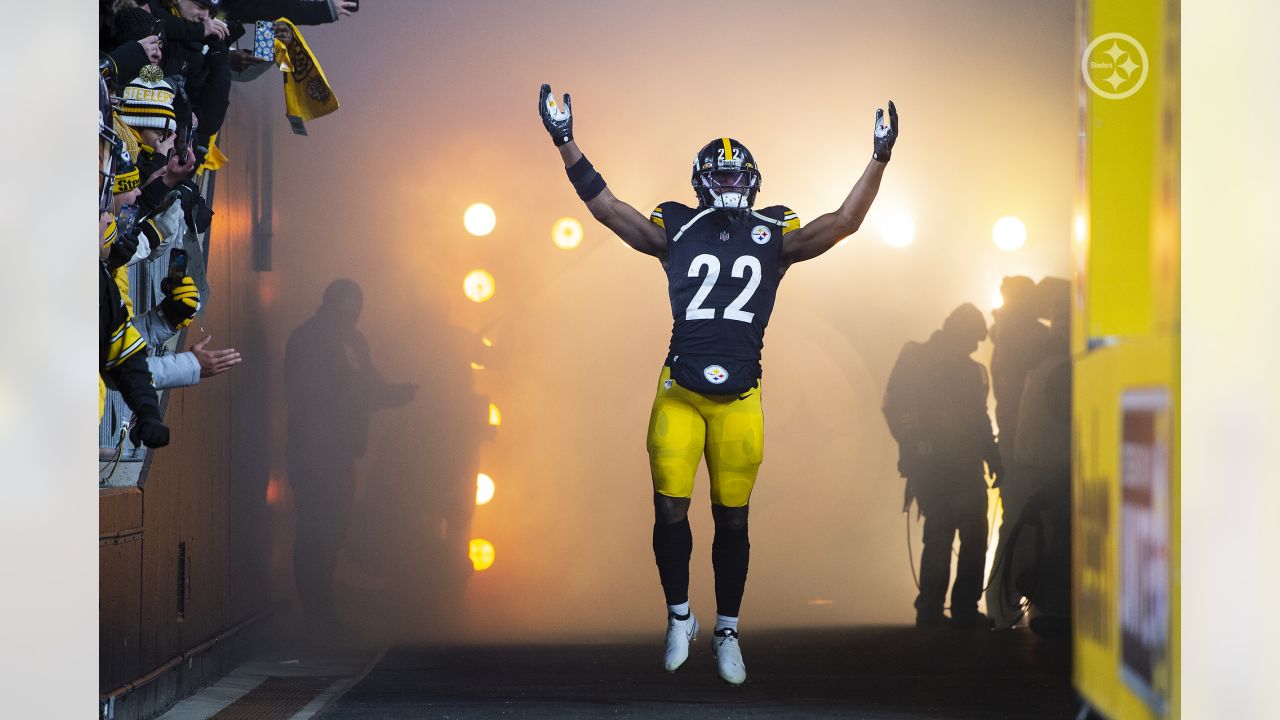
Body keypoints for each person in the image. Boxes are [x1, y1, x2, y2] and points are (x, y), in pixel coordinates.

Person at [538, 83, 898, 684]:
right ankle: (680, 616)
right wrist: (566, 142)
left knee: (733, 519)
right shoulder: (676, 224)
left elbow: (844, 222)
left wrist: (879, 159)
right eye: (720, 175)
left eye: (737, 176)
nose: (729, 184)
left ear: (752, 181)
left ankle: (727, 629)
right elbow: (609, 209)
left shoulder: (775, 229)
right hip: (679, 392)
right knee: (670, 510)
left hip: (740, 397)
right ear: (701, 181)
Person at [284, 279, 418, 631]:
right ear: (330, 305)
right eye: (345, 306)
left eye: (355, 307)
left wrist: (393, 393)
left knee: (336, 526)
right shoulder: (309, 340)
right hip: (313, 451)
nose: (351, 314)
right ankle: (316, 610)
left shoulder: (353, 341)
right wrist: (384, 398)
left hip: (341, 450)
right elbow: (325, 397)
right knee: (318, 529)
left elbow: (368, 383)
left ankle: (322, 605)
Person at [883, 303, 1002, 629]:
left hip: (944, 464)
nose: (975, 347)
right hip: (942, 465)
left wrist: (913, 453)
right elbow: (897, 406)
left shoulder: (924, 361)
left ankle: (938, 610)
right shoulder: (923, 361)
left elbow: (978, 419)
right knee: (954, 534)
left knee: (950, 535)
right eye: (972, 339)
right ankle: (950, 610)